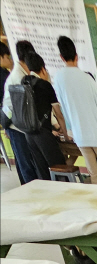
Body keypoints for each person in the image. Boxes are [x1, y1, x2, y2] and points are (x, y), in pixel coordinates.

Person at [53, 36, 97, 186]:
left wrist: (71, 131)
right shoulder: (87, 79)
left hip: (80, 136)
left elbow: (63, 109)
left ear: (61, 57)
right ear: (76, 57)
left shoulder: (58, 79)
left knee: (94, 176)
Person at [17, 52, 66, 181]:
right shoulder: (45, 85)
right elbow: (59, 114)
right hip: (43, 134)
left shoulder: (24, 81)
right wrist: (65, 135)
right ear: (43, 69)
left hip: (29, 134)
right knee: (59, 166)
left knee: (42, 170)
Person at [1, 39, 39, 184]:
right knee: (26, 165)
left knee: (26, 163)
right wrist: (7, 127)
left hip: (19, 125)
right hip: (16, 127)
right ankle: (31, 195)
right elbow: (13, 107)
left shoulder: (23, 73)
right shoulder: (18, 77)